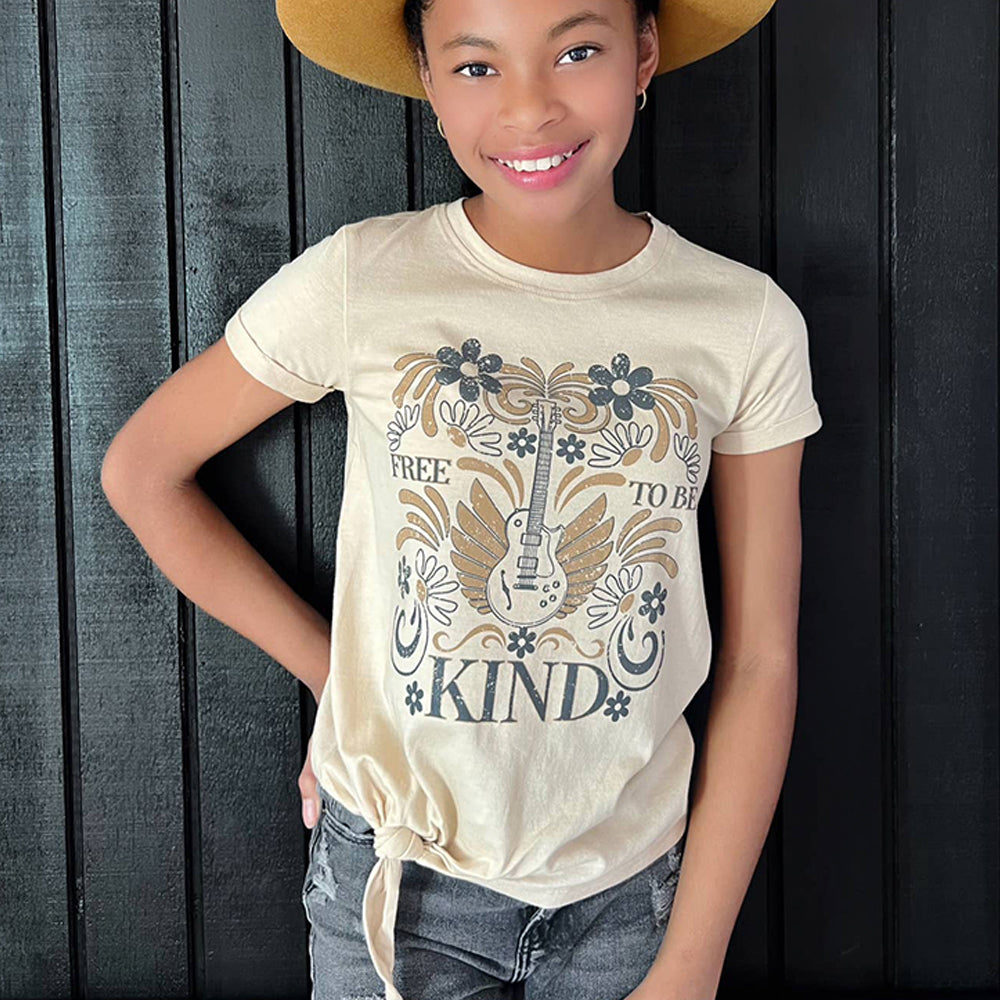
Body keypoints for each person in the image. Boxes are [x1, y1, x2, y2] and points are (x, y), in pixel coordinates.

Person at [101, 0, 822, 997]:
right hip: (398, 890)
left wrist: (691, 963)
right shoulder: (365, 278)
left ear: (644, 52)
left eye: (577, 50)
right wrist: (337, 680)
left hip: (630, 901)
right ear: (427, 79)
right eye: (477, 66)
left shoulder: (744, 323)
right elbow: (143, 471)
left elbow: (760, 660)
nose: (530, 108)